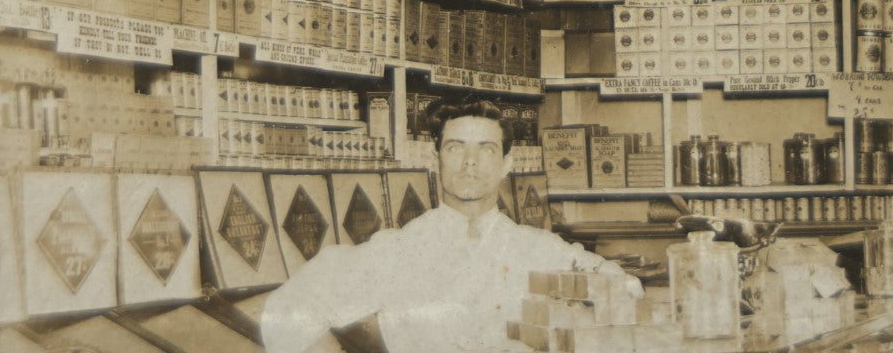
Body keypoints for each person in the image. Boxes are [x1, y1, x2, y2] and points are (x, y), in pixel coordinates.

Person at [261, 97, 637, 353]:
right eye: (456, 148)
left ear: (508, 164)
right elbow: (289, 311)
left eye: (486, 149)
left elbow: (623, 290)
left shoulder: (538, 248)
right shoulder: (398, 250)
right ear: (434, 157)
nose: (470, 162)